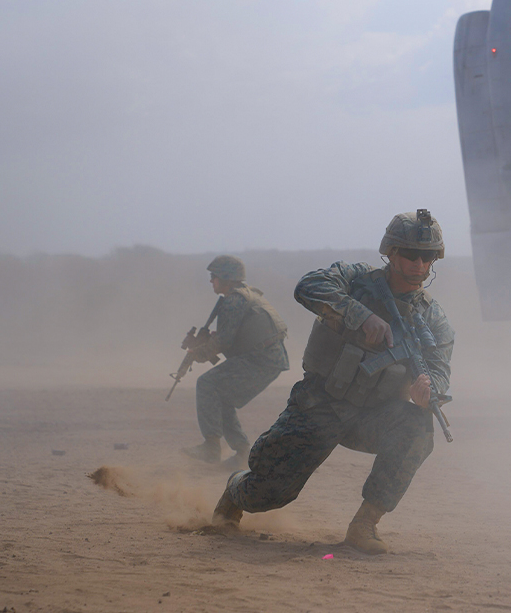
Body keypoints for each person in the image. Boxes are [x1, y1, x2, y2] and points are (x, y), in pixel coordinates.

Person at [211, 210, 454, 554]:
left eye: (427, 256)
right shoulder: (356, 279)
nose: (419, 264)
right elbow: (307, 286)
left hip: (374, 415)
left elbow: (439, 369)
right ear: (391, 252)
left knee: (417, 427)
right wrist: (360, 315)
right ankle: (235, 491)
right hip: (320, 403)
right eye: (411, 254)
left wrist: (429, 392)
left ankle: (364, 526)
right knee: (270, 494)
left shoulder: (432, 320)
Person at [181, 255, 290, 468]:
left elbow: (224, 341)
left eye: (214, 277)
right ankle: (241, 454)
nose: (211, 281)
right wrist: (205, 343)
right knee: (221, 397)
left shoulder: (234, 300)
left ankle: (211, 447)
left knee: (207, 384)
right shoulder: (245, 296)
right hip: (267, 359)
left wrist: (197, 353)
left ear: (226, 278)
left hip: (260, 359)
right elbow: (228, 337)